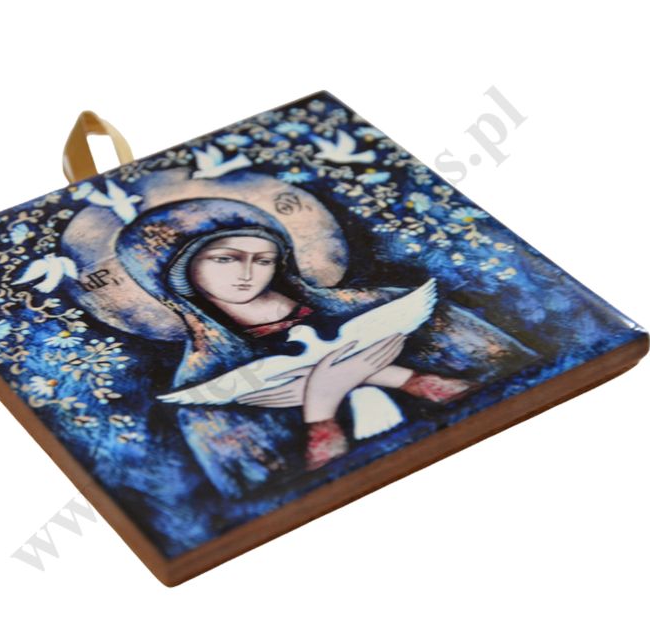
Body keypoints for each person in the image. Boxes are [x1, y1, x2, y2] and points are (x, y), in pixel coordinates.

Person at [116, 197, 539, 498]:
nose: (247, 273)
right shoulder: (202, 378)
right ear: (177, 275)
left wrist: (379, 377)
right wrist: (324, 401)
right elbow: (265, 492)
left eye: (262, 259)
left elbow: (513, 371)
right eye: (225, 258)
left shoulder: (382, 304)